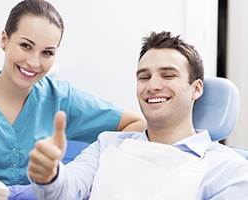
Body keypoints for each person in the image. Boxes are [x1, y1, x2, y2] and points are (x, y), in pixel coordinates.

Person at [27, 31, 248, 199]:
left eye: (168, 75)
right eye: (144, 77)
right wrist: (50, 175)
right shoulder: (108, 145)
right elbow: (67, 190)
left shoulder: (228, 170)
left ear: (196, 88)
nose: (152, 86)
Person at [0, 0, 146, 187]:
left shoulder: (60, 99)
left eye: (47, 52)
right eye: (26, 46)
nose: (34, 62)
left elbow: (137, 124)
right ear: (4, 40)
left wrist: (84, 171)